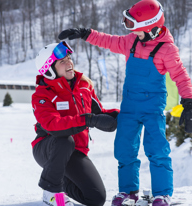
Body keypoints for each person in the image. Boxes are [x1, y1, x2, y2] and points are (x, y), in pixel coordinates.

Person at [58, 0, 192, 206]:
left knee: (156, 149)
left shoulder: (167, 49)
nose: (132, 33)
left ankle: (162, 193)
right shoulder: (132, 41)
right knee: (124, 148)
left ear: (150, 28)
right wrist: (86, 33)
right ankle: (128, 192)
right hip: (129, 107)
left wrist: (189, 101)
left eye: (136, 29)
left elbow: (181, 77)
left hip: (152, 108)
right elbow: (109, 41)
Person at [31, 41, 120, 206]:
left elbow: (99, 112)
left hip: (76, 151)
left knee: (96, 198)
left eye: (69, 58)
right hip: (48, 148)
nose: (69, 63)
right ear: (49, 70)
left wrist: (123, 116)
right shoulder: (42, 94)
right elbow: (52, 124)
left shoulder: (84, 86)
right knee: (65, 139)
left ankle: (61, 181)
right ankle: (53, 193)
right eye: (62, 61)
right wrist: (89, 120)